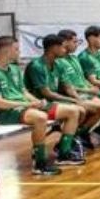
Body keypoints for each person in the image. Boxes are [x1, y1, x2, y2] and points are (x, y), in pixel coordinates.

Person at [0, 37, 75, 175]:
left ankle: (64, 154)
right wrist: (28, 104)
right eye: (16, 49)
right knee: (40, 117)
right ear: (6, 51)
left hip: (24, 107)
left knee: (72, 111)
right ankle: (40, 163)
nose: (19, 52)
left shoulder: (14, 69)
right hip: (4, 113)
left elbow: (23, 92)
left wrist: (37, 102)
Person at [55, 29, 100, 150]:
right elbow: (65, 87)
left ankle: (84, 133)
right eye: (74, 42)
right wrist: (89, 90)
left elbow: (83, 79)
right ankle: (70, 139)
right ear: (64, 42)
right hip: (75, 94)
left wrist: (91, 87)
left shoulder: (74, 58)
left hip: (88, 91)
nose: (76, 44)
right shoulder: (60, 62)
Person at [21, 35, 86, 167]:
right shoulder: (37, 66)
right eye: (62, 47)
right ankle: (63, 152)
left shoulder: (58, 64)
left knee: (81, 110)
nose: (65, 49)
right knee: (75, 111)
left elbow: (67, 86)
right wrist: (72, 100)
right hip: (39, 103)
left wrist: (77, 99)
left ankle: (67, 144)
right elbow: (46, 93)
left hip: (52, 102)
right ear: (53, 48)